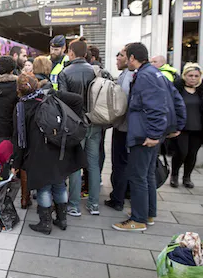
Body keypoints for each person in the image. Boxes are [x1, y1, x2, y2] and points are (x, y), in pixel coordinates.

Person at [112, 43, 184, 231]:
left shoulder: (145, 76)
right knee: (148, 174)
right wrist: (177, 125)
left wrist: (153, 134)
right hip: (151, 133)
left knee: (138, 176)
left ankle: (138, 219)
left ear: (132, 58)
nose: (124, 59)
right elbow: (176, 99)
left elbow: (156, 107)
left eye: (126, 56)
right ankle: (148, 213)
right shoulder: (155, 73)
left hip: (144, 135)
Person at [12, 73, 86, 235]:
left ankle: (45, 223)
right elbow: (78, 100)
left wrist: (16, 163)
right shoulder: (50, 96)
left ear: (19, 90)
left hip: (39, 153)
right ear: (36, 85)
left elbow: (19, 138)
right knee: (59, 184)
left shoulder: (21, 107)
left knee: (43, 188)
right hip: (59, 147)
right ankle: (62, 219)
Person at [58, 39, 101, 216]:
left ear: (71, 52)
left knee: (75, 164)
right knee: (93, 164)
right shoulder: (97, 71)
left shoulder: (65, 73)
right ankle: (94, 204)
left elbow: (63, 101)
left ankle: (74, 205)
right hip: (95, 122)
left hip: (76, 124)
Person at [105, 48, 135, 211]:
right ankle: (124, 193)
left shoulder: (127, 76)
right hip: (127, 127)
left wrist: (112, 120)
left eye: (121, 55)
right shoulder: (129, 74)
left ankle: (118, 198)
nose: (117, 58)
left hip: (123, 127)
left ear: (130, 58)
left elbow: (121, 104)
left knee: (120, 163)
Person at [171, 62, 203, 188]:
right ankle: (174, 175)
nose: (193, 78)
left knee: (192, 154)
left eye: (196, 76)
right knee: (181, 152)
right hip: (181, 128)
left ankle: (187, 177)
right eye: (190, 75)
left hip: (198, 128)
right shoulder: (177, 89)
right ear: (184, 75)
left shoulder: (201, 91)